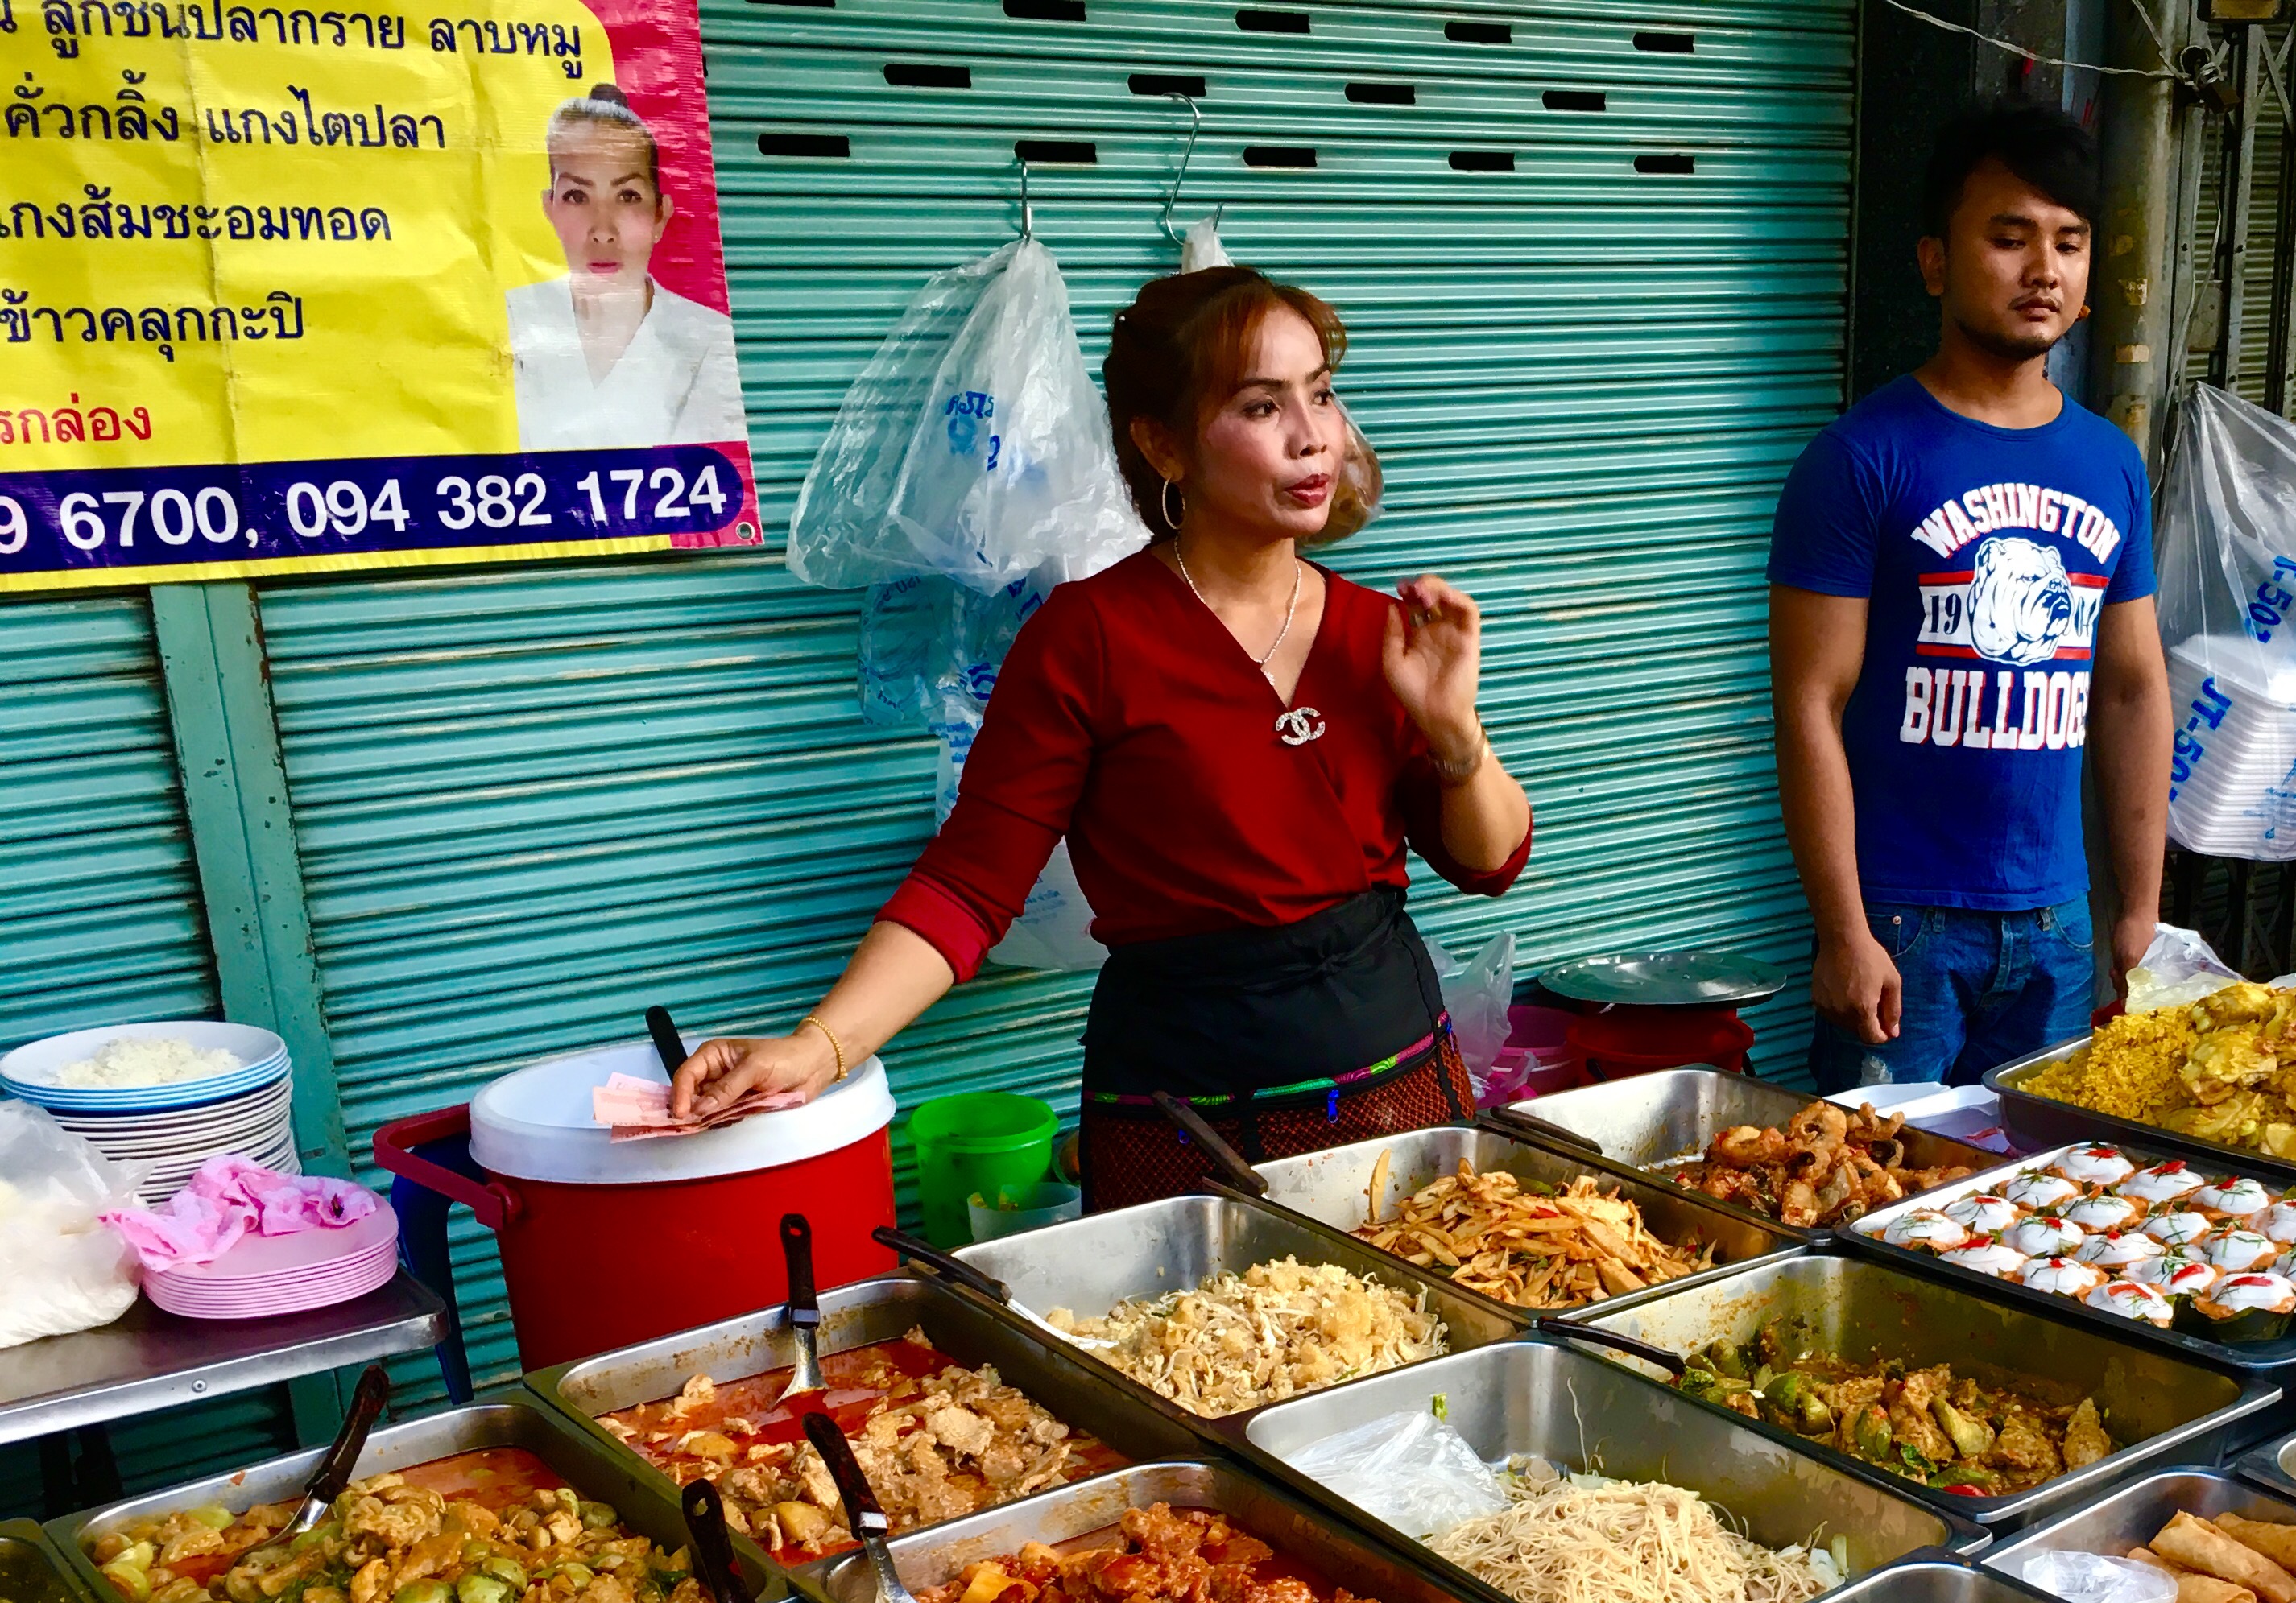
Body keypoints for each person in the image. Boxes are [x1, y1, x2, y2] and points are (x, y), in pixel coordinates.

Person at [671, 265, 1532, 1209]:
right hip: (1185, 1121)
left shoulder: (1380, 632)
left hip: (1393, 1091)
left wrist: (1456, 732)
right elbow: (968, 883)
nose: (1313, 435)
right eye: (1261, 405)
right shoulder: (1087, 638)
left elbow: (1490, 862)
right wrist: (818, 1046)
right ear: (1163, 444)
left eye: (1319, 393)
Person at [1766, 101, 2167, 1089]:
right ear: (1935, 262)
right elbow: (1809, 701)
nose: (2044, 269)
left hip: (2058, 923)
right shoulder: (1859, 458)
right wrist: (1843, 929)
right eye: (2009, 237)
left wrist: (2137, 908)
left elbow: (2131, 688)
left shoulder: (2109, 462)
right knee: (1874, 1174)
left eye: (2068, 242)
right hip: (1902, 921)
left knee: (2041, 1175)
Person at [506, 85, 748, 452]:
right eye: (577, 196)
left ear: (659, 215)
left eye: (628, 196)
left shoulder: (706, 338)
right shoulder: (511, 317)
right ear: (550, 208)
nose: (603, 231)